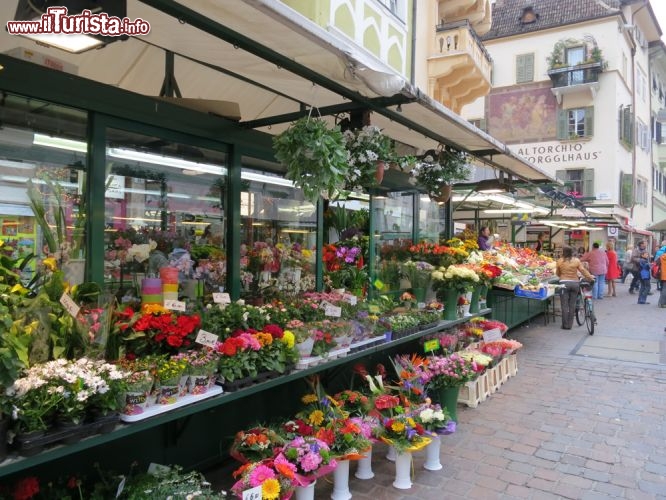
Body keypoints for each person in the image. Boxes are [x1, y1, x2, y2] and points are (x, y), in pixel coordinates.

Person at [556, 246, 594, 330]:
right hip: (575, 284)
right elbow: (583, 270)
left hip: (563, 284)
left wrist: (563, 276)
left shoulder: (559, 261)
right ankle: (570, 325)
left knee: (564, 305)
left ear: (563, 252)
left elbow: (558, 273)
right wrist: (590, 277)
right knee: (572, 305)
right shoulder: (576, 261)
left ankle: (565, 325)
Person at [656, 240, 666, 307]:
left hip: (661, 275)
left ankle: (661, 302)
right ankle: (662, 303)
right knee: (665, 289)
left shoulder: (661, 256)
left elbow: (656, 264)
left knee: (663, 288)